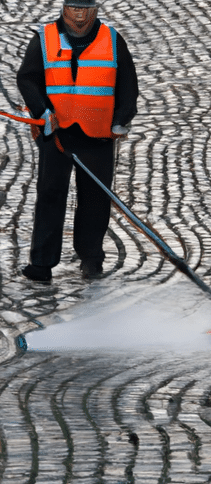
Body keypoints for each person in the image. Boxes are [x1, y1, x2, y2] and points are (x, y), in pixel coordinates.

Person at [17, 0, 138, 282]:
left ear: (95, 10)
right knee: (50, 195)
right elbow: (27, 79)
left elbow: (128, 85)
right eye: (73, 7)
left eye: (85, 8)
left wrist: (122, 118)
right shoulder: (44, 38)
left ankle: (91, 258)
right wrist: (42, 112)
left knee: (95, 198)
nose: (79, 14)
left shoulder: (112, 39)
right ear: (64, 9)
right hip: (56, 134)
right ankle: (42, 263)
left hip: (98, 133)